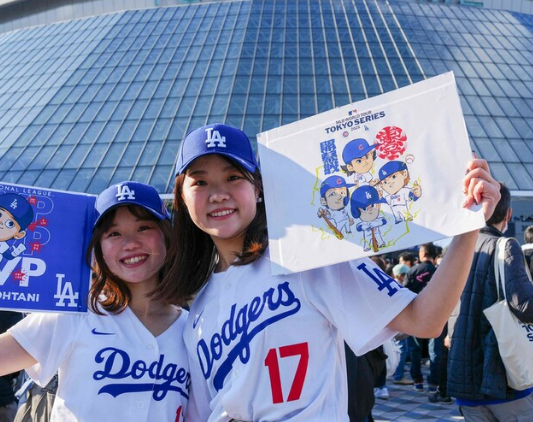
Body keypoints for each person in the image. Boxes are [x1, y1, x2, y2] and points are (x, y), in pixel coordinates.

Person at [155, 123, 500, 421]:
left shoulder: (308, 255)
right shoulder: (198, 309)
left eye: (233, 177)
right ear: (182, 196)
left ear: (258, 188)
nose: (218, 194)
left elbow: (424, 320)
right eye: (200, 182)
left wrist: (469, 226)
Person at [0, 181, 189, 422]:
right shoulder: (74, 314)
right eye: (114, 234)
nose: (130, 243)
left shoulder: (194, 328)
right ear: (97, 247)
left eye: (144, 228)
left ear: (167, 235)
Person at [448, 182, 533, 420]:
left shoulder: (457, 248)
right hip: (501, 375)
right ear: (508, 214)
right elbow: (524, 305)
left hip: (463, 375)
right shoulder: (505, 245)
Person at [403, 242, 438, 391]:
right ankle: (434, 383)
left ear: (422, 254)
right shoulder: (440, 271)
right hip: (437, 314)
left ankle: (417, 381)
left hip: (415, 314)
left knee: (415, 350)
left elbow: (403, 293)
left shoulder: (412, 271)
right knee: (435, 351)